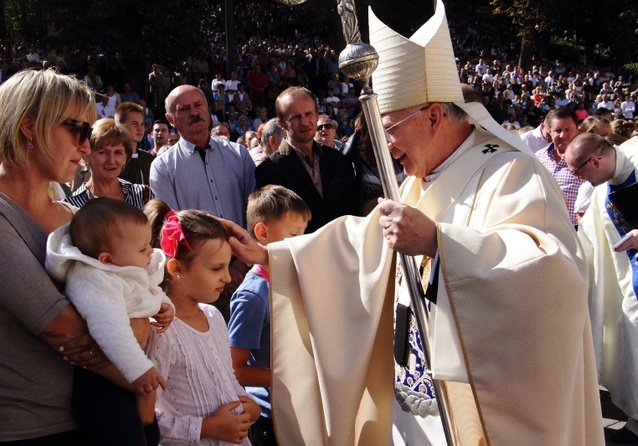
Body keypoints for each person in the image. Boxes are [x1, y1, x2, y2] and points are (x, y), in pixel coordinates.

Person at [221, 2, 603, 444]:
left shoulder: (513, 173)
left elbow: (552, 270)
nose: (384, 145)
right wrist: (275, 253)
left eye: (389, 128)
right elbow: (363, 240)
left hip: (477, 405)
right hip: (414, 391)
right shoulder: (423, 178)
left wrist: (441, 243)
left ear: (434, 116)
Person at [0, 69, 152, 443]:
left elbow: (129, 309)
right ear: (28, 126)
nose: (86, 147)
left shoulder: (70, 217)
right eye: (78, 130)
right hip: (21, 427)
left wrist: (136, 324)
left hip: (98, 418)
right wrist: (136, 354)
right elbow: (60, 326)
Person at [46, 198, 175, 445]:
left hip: (128, 370)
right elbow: (109, 328)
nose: (150, 252)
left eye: (149, 245)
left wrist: (166, 307)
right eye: (142, 249)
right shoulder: (94, 279)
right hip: (100, 381)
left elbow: (146, 291)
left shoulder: (121, 269)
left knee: (148, 433)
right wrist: (139, 369)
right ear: (107, 258)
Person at [144, 200, 261, 445]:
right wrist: (206, 428)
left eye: (227, 266)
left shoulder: (214, 315)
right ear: (176, 268)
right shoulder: (160, 331)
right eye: (216, 268)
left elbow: (226, 377)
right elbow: (146, 416)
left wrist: (248, 405)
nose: (227, 277)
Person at [150, 84, 256, 321]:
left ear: (208, 109)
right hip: (201, 283)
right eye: (184, 109)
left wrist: (238, 265)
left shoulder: (239, 155)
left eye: (198, 105)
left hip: (247, 271)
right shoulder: (163, 168)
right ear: (171, 118)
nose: (194, 112)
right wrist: (214, 270)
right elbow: (173, 228)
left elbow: (254, 214)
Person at [227, 185, 311, 446]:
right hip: (269, 415)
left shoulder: (292, 277)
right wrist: (285, 374)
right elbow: (236, 369)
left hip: (297, 403)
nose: (301, 242)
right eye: (294, 234)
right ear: (262, 232)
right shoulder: (253, 296)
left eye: (304, 233)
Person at [569, 134, 638, 444]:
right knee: (630, 339)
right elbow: (587, 243)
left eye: (578, 172)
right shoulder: (600, 194)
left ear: (595, 162)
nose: (579, 180)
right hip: (630, 283)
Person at [255, 86, 361, 233]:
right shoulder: (269, 171)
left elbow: (351, 208)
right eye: (296, 117)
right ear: (282, 123)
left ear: (317, 115)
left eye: (308, 114)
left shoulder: (336, 159)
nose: (304, 122)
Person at [65, 118, 155, 210]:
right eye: (103, 152)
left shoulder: (145, 197)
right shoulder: (72, 206)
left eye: (118, 153)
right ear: (87, 155)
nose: (111, 160)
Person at [535, 107, 585, 226]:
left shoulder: (587, 158)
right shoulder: (538, 158)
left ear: (577, 129)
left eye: (568, 129)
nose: (563, 135)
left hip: (576, 228)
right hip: (545, 227)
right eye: (558, 130)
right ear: (549, 131)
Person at [116, 101, 156, 186]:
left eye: (142, 124)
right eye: (135, 124)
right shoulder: (114, 160)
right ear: (120, 126)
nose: (140, 128)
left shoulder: (149, 159)